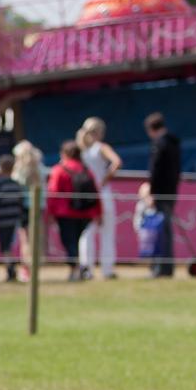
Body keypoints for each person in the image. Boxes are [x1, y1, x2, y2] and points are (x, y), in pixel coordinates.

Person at [46, 140, 102, 282]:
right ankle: (80, 267)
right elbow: (95, 192)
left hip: (65, 213)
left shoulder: (59, 170)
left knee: (69, 242)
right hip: (85, 213)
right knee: (77, 241)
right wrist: (98, 212)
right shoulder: (86, 170)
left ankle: (76, 268)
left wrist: (50, 213)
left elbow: (53, 193)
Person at [76, 117, 123, 280]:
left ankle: (86, 267)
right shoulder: (100, 147)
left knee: (87, 232)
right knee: (107, 232)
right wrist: (105, 178)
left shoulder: (81, 150)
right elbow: (117, 162)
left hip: (87, 195)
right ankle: (107, 269)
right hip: (102, 193)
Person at [145, 112, 181, 278]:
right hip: (172, 191)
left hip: (161, 193)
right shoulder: (174, 142)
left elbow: (155, 171)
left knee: (161, 231)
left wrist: (151, 192)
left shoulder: (159, 145)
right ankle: (166, 266)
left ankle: (162, 268)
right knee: (166, 230)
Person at [0, 154, 28, 282]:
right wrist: (23, 219)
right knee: (9, 244)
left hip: (4, 219)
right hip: (14, 219)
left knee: (4, 245)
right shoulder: (16, 184)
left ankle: (10, 268)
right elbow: (21, 204)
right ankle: (11, 266)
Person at [11, 140, 45, 281]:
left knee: (25, 240)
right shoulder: (40, 167)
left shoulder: (20, 169)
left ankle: (26, 269)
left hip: (24, 207)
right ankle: (34, 269)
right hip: (39, 207)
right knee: (35, 239)